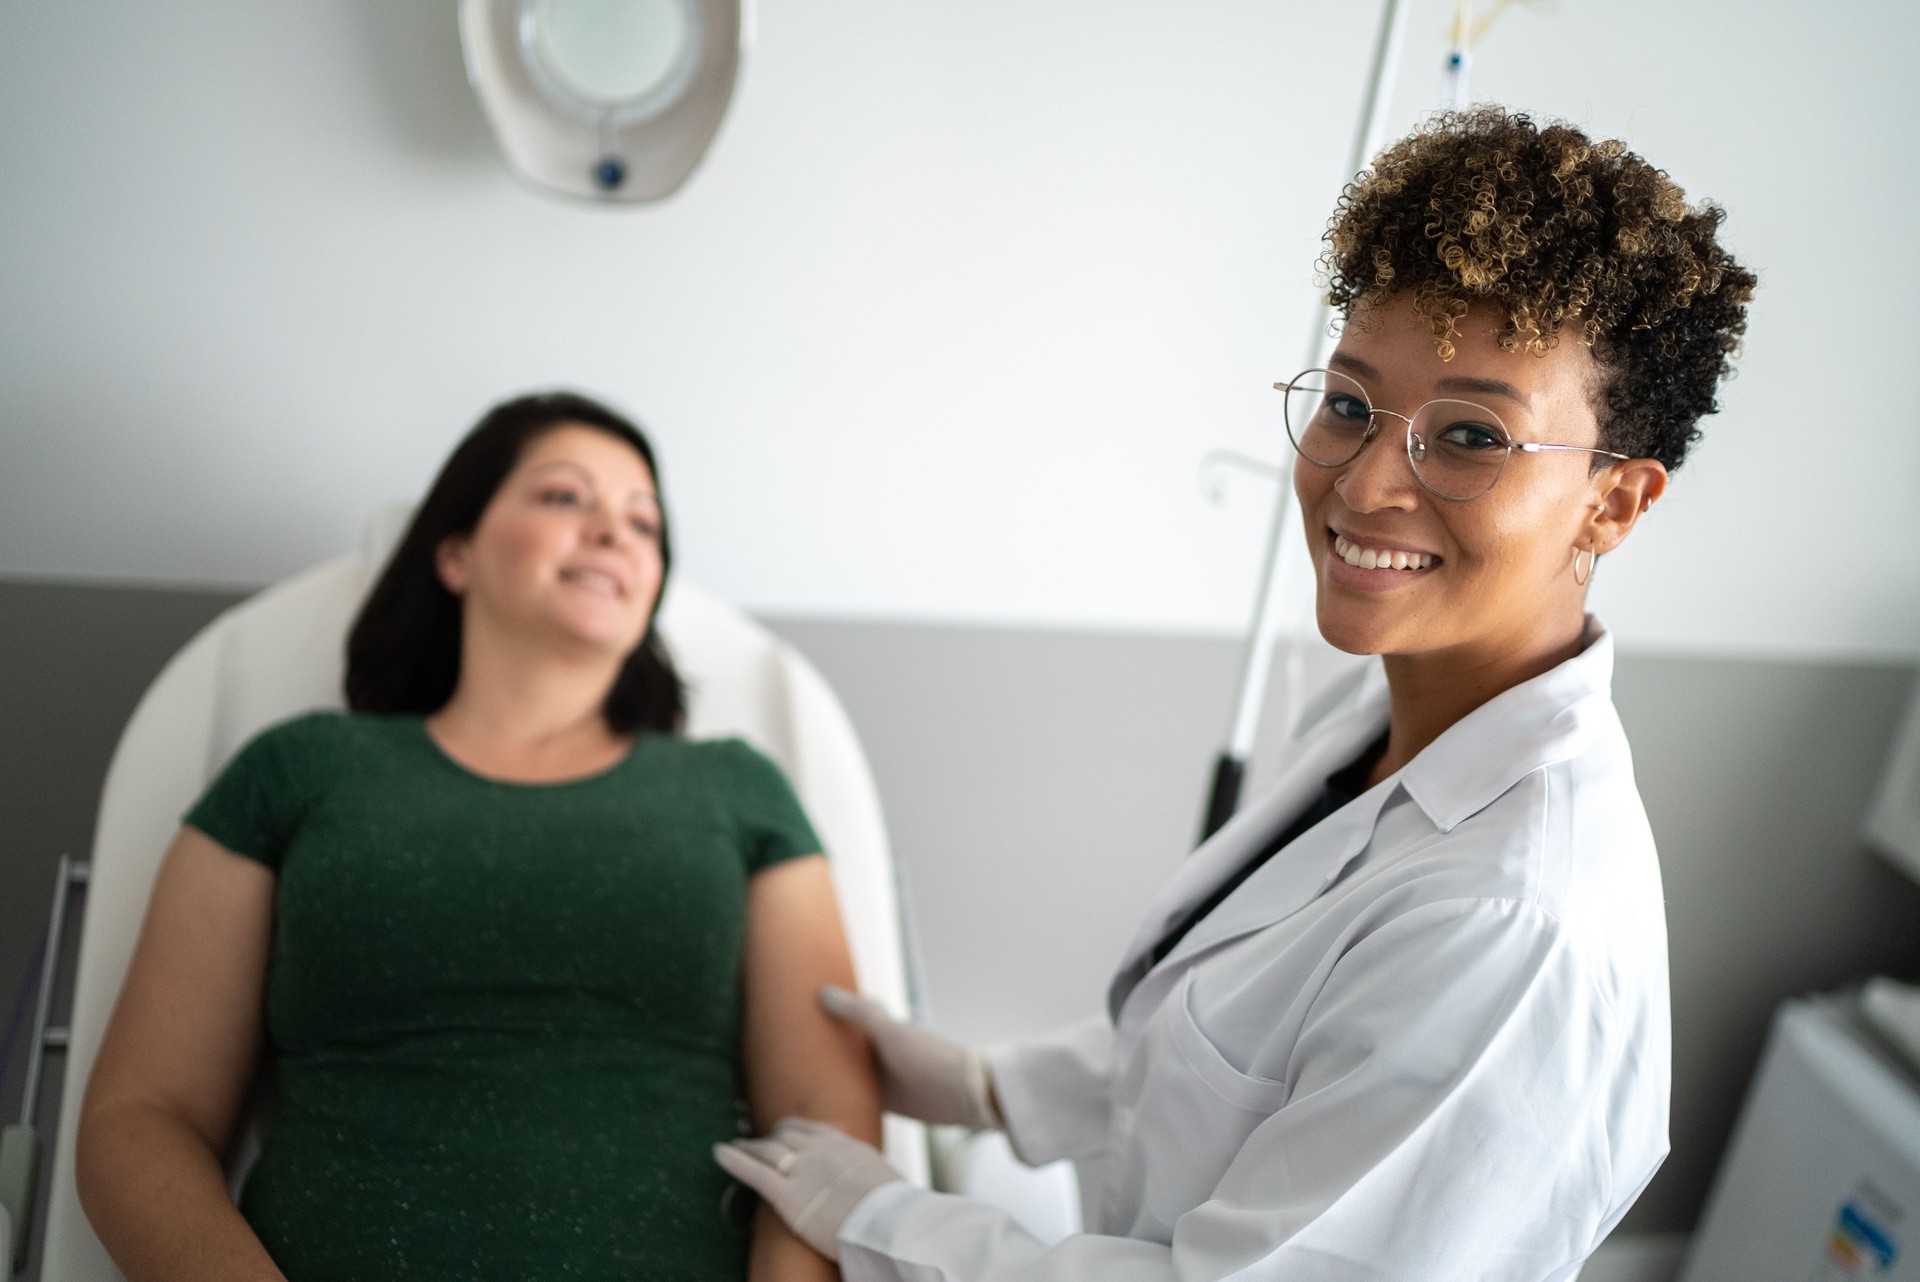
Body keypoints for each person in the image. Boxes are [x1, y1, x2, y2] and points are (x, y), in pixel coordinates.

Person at [716, 107, 1757, 1281]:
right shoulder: (1380, 715)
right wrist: (984, 1088)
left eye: (1470, 435)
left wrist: (889, 1221)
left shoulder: (1514, 927)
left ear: (1616, 503)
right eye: (1352, 404)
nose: (1364, 484)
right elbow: (1230, 1052)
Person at [77, 392, 881, 1282]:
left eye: (643, 522)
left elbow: (824, 1125)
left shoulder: (738, 791)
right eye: (565, 498)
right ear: (454, 552)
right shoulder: (297, 772)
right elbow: (142, 1115)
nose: (615, 532)